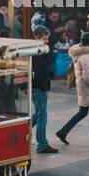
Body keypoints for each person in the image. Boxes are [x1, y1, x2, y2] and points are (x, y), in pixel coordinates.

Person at [55, 34, 89, 147]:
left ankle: (63, 132)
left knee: (83, 112)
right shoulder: (86, 57)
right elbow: (88, 76)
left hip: (84, 89)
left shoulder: (80, 53)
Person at [30, 25, 57, 155]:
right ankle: (42, 144)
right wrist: (44, 82)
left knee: (39, 113)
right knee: (42, 116)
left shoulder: (43, 50)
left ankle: (24, 129)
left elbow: (50, 61)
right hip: (38, 87)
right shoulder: (35, 52)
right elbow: (39, 72)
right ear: (36, 37)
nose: (47, 41)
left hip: (41, 85)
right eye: (45, 39)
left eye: (48, 39)